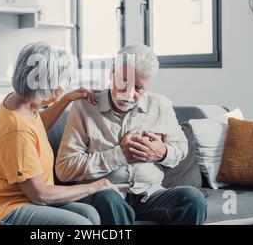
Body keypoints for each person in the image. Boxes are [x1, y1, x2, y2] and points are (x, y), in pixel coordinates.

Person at [0, 42, 122, 225]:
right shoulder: (16, 129)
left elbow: (37, 126)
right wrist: (96, 185)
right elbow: (41, 195)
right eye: (65, 80)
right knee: (81, 225)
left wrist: (66, 99)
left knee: (90, 215)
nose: (66, 85)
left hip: (21, 199)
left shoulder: (20, 102)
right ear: (52, 86)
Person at [56, 44, 207, 225]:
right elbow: (64, 169)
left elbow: (181, 147)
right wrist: (119, 155)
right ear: (112, 72)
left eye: (138, 88)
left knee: (193, 199)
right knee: (110, 201)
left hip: (150, 194)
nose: (129, 94)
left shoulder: (160, 105)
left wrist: (163, 152)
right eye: (124, 82)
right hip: (104, 195)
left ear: (148, 86)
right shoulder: (85, 107)